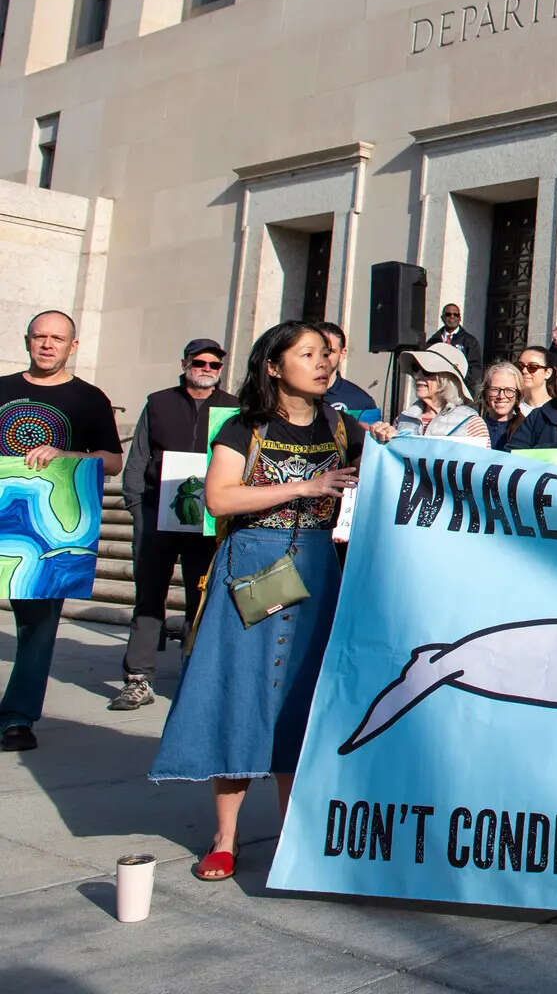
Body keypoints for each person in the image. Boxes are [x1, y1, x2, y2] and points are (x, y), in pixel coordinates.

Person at [148, 321, 370, 879]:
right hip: (252, 568)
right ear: (273, 367)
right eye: (308, 354)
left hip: (320, 571)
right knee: (240, 696)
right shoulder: (241, 427)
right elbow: (219, 498)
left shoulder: (345, 427)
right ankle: (225, 837)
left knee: (304, 703)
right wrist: (303, 486)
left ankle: (294, 837)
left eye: (327, 354)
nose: (323, 363)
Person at [0, 312, 126, 752]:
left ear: (73, 346)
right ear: (27, 341)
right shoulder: (2, 388)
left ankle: (17, 717)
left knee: (38, 626)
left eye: (57, 338)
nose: (47, 344)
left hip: (47, 531)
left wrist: (65, 454)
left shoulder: (89, 398)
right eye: (40, 336)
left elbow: (113, 462)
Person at [110, 338, 239, 711]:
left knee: (202, 596)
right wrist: (136, 505)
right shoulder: (159, 402)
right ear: (184, 362)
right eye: (199, 362)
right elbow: (139, 457)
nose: (206, 369)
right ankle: (138, 677)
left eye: (214, 364)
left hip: (208, 518)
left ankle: (194, 674)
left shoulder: (232, 409)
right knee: (149, 595)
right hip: (156, 514)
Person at [390, 344, 489, 443]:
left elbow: (482, 458)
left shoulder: (471, 423)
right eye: (416, 368)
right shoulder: (403, 419)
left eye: (427, 371)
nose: (417, 375)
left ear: (447, 379)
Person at [316, 322, 381, 423]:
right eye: (314, 352)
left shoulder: (361, 402)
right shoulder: (289, 393)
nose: (323, 357)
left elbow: (368, 437)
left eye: (329, 352)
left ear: (342, 354)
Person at [430, 303, 482, 390]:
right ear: (442, 317)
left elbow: (475, 369)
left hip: (459, 388)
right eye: (448, 314)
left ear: (460, 318)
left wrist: (462, 384)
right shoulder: (433, 341)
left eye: (456, 315)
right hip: (437, 388)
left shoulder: (470, 341)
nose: (452, 317)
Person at [478, 362, 524, 450]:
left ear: (518, 395)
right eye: (495, 389)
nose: (501, 396)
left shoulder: (525, 429)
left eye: (509, 390)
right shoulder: (473, 427)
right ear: (485, 393)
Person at [517, 345, 554, 414]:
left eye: (533, 367)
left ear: (548, 373)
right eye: (520, 366)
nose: (524, 371)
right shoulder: (510, 409)